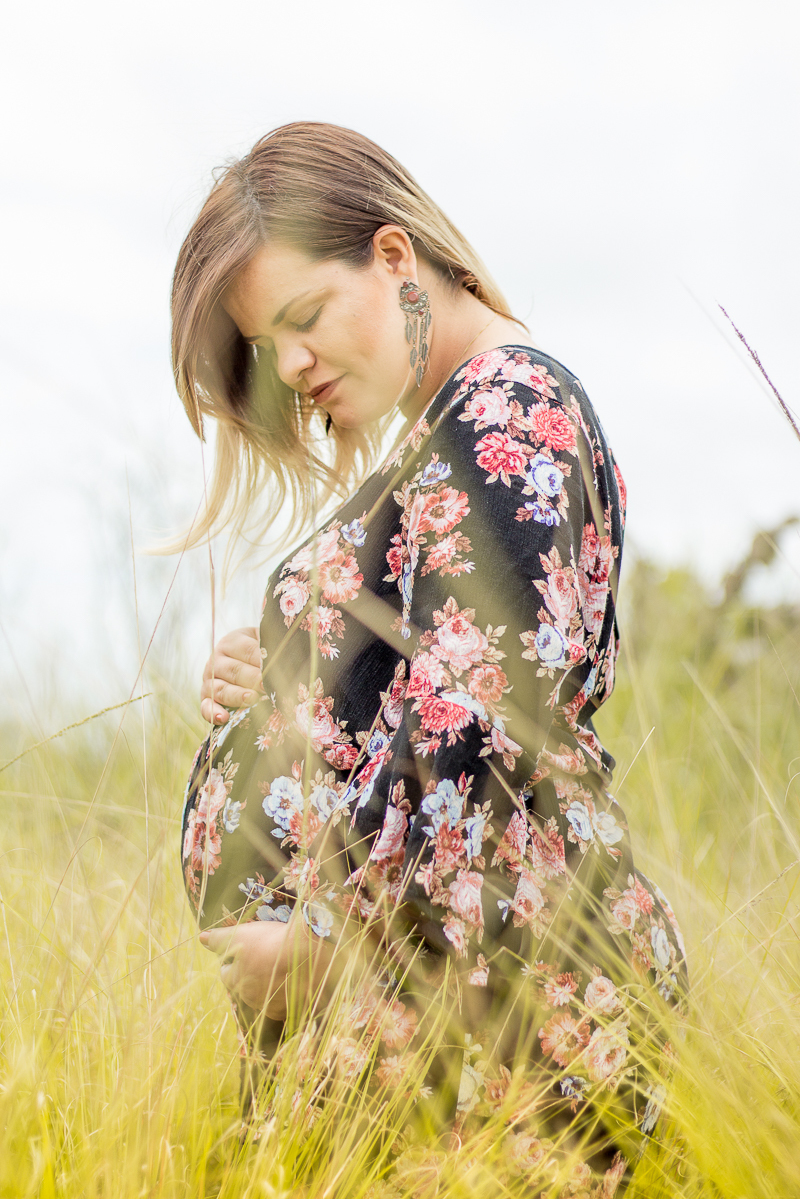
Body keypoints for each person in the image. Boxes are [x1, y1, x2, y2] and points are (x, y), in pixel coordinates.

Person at [173, 122, 688, 1194]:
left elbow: (482, 731)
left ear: (395, 257)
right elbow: (422, 683)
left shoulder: (509, 408)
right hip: (434, 1034)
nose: (292, 368)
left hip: (494, 1027)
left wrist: (320, 952)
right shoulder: (451, 428)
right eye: (269, 349)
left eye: (303, 318)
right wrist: (281, 676)